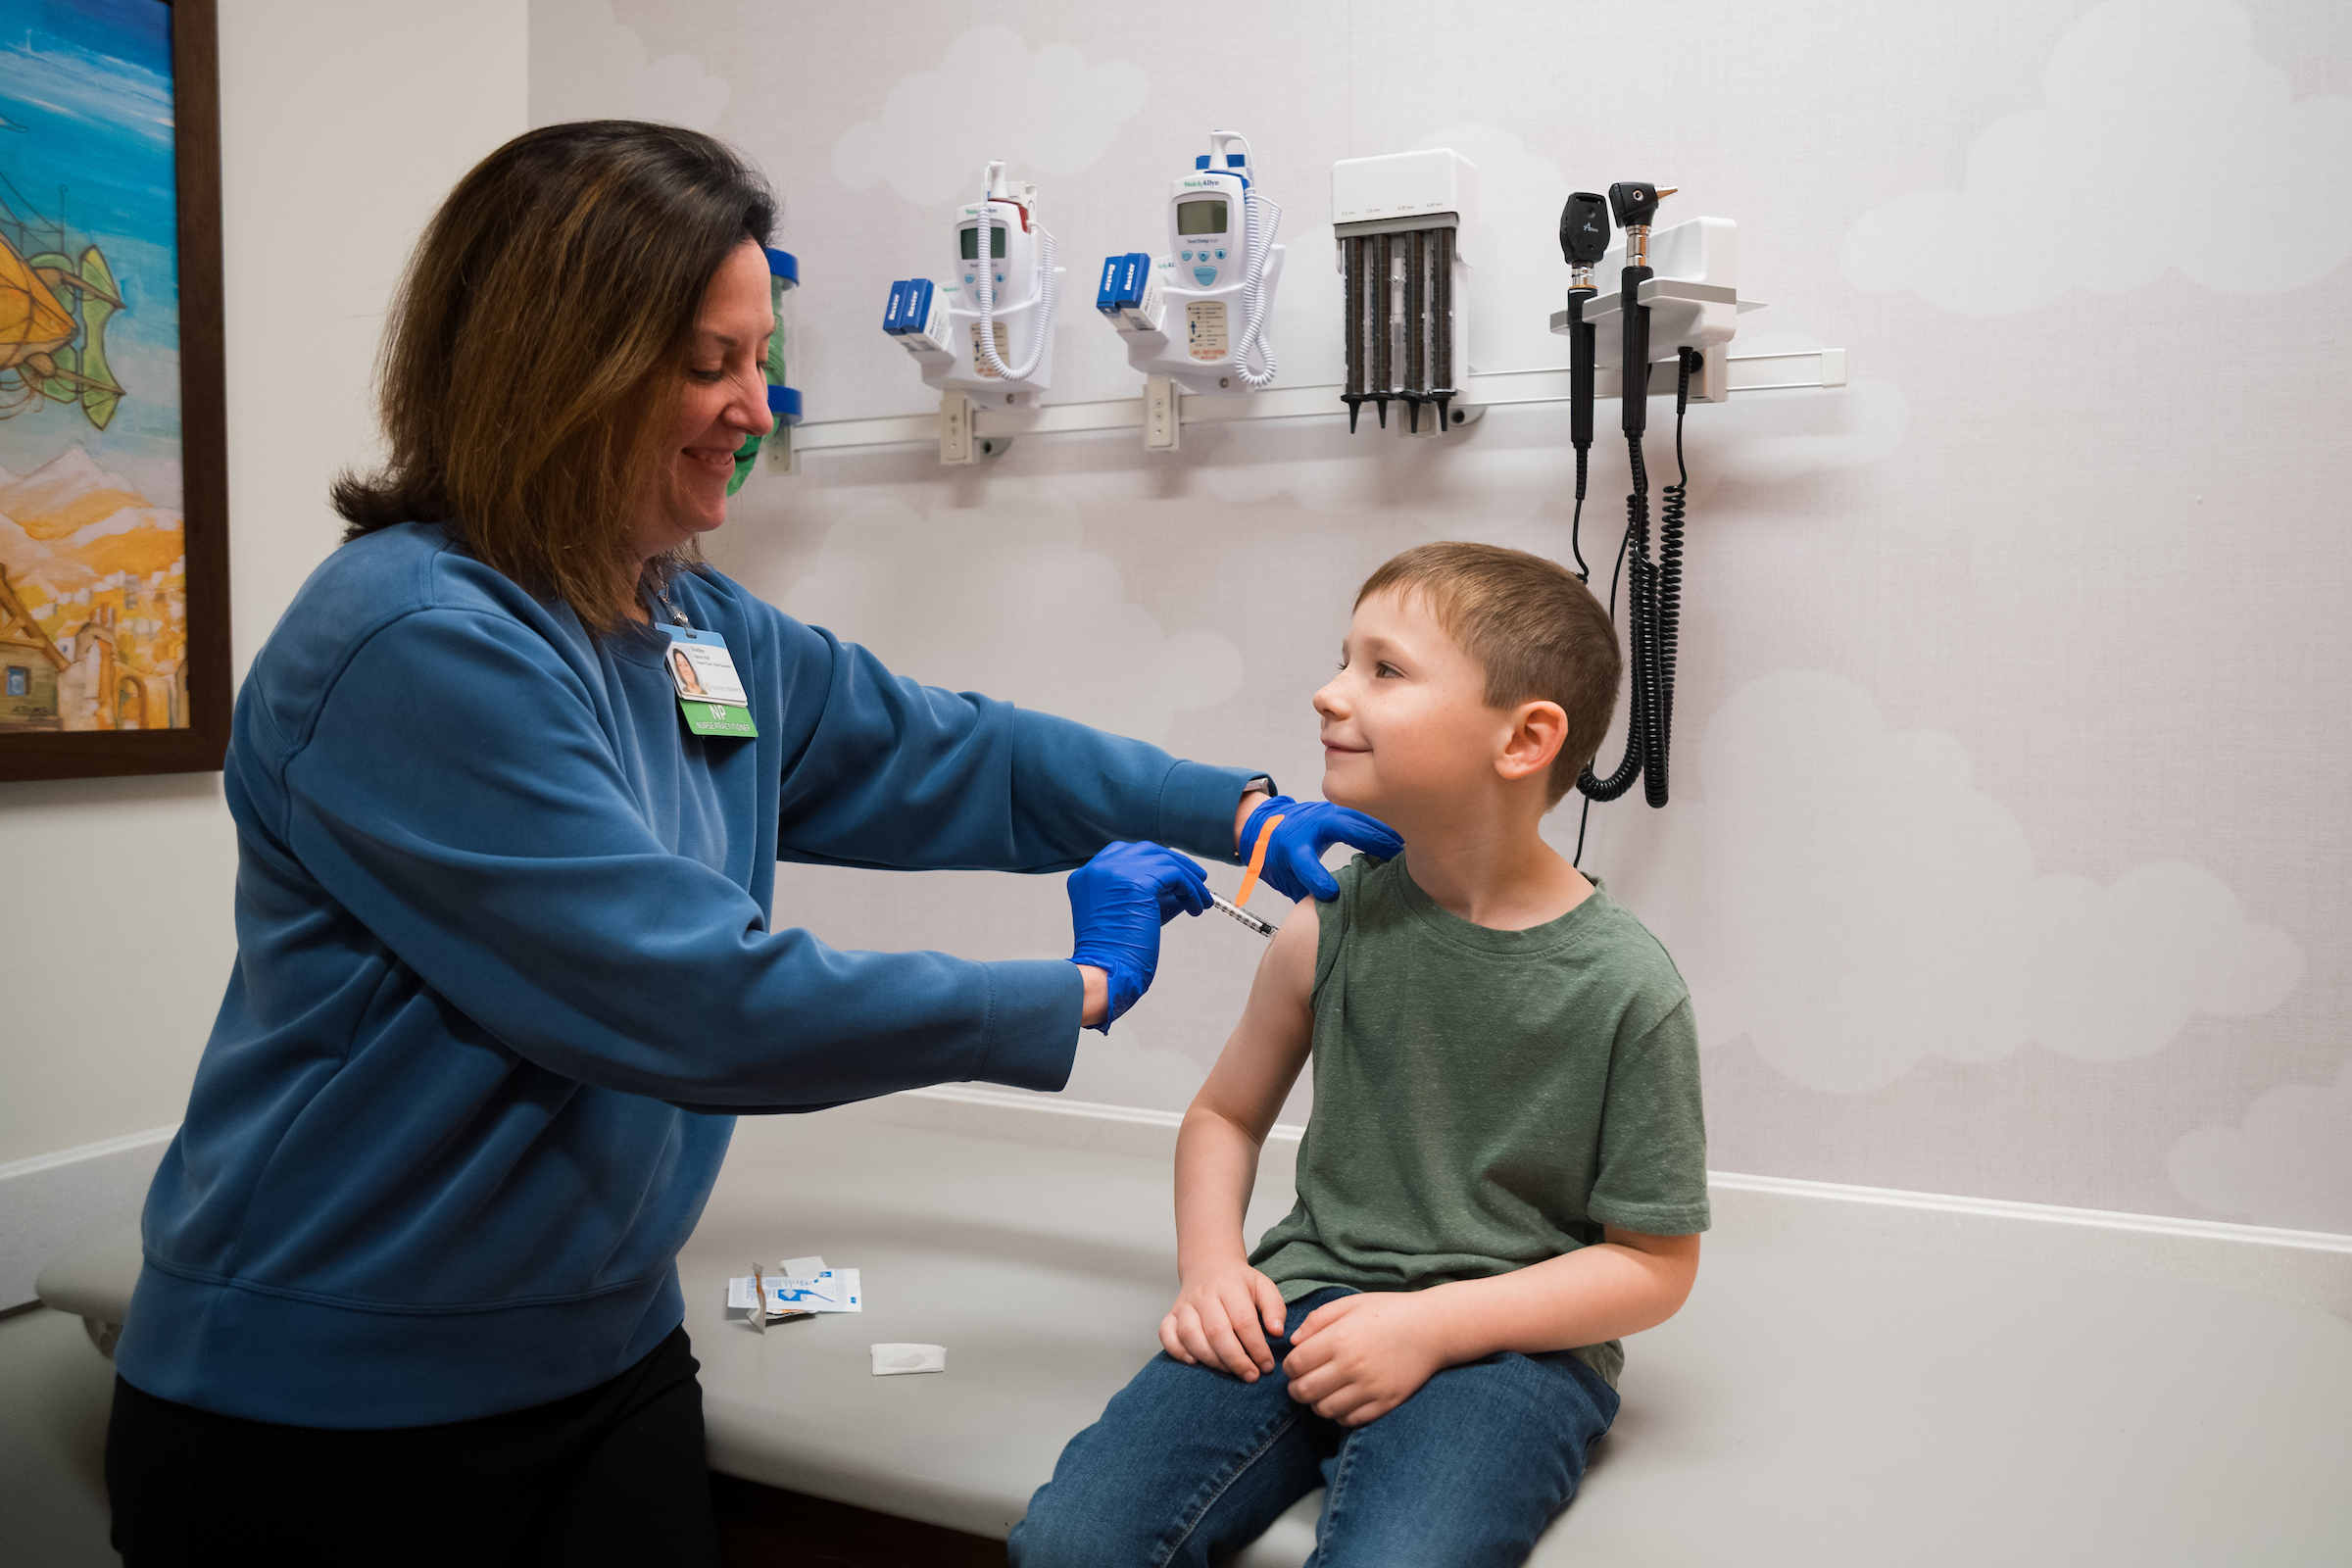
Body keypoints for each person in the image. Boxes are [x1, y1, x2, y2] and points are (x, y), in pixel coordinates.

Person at [102, 121, 1398, 1566]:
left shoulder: (680, 620)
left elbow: (947, 752)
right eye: (708, 367)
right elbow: (684, 997)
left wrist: (1229, 807)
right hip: (333, 1414)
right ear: (559, 370)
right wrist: (1067, 993)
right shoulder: (416, 644)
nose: (757, 406)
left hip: (601, 1359)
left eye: (758, 359)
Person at [1011, 542, 1710, 1567]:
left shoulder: (1629, 988)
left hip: (1511, 1347)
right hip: (1299, 1299)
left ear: (1525, 738)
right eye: (1345, 659)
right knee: (1074, 1545)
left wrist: (1430, 1328)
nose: (1328, 693)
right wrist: (1211, 1267)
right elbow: (1224, 1116)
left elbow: (1652, 1266)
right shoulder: (1324, 927)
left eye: (1384, 669)